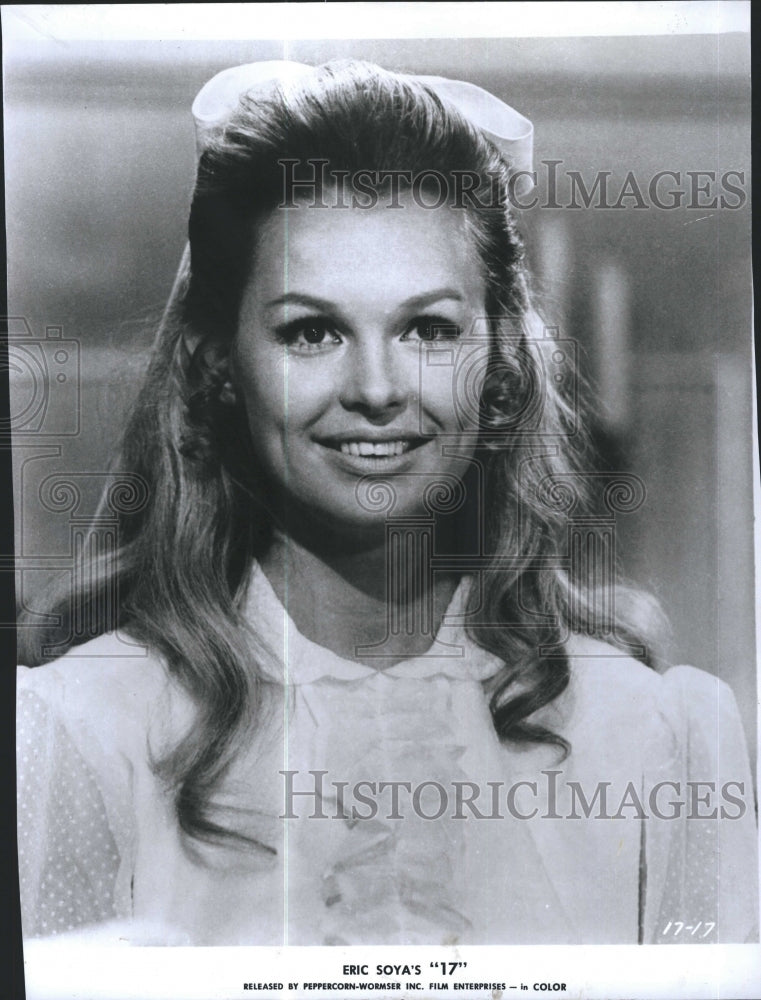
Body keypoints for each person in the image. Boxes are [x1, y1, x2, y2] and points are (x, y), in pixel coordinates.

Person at [16, 59, 757, 946]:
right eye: (311, 330)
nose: (375, 387)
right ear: (217, 362)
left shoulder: (655, 739)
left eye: (427, 329)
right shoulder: (73, 735)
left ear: (502, 360)